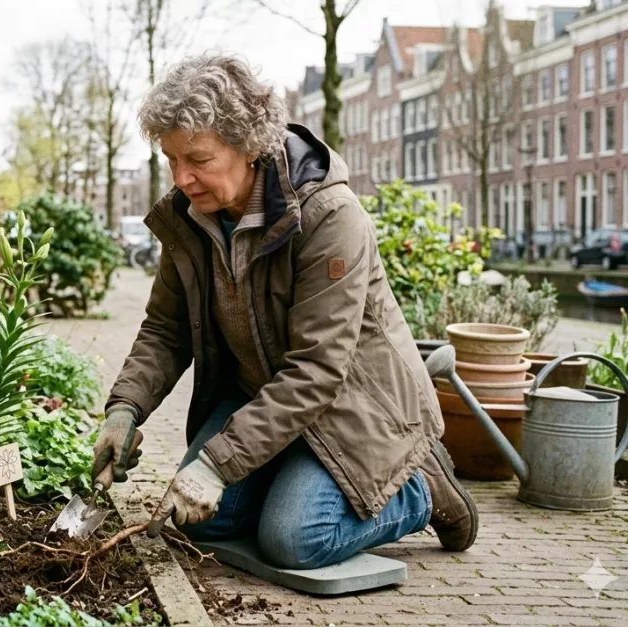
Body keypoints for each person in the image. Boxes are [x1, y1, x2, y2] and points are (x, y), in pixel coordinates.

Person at [89, 53, 479, 570]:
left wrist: (218, 465)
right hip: (263, 396)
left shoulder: (327, 216)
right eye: (171, 159)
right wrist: (124, 409)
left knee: (294, 539)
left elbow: (317, 370)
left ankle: (420, 491)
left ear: (249, 146)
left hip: (352, 408)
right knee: (205, 522)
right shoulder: (192, 216)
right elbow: (166, 329)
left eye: (198, 159)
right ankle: (288, 473)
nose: (181, 178)